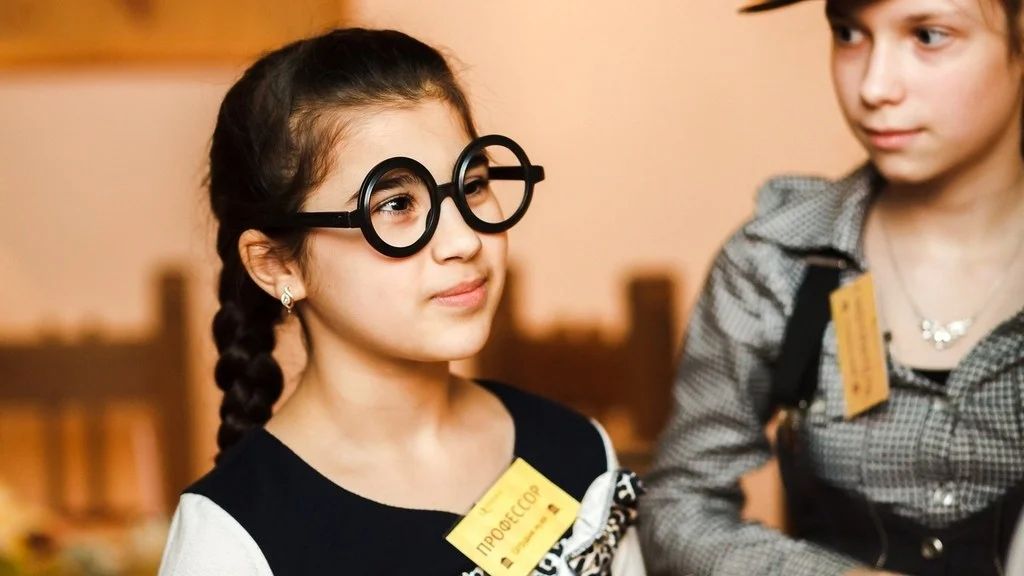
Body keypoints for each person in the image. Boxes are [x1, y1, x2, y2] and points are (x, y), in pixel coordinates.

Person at [157, 27, 645, 576]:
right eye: (394, 204)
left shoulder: (575, 451)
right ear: (278, 264)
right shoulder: (232, 538)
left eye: (473, 184)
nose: (464, 240)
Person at [638, 0, 1024, 573]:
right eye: (848, 33)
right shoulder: (778, 261)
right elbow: (677, 510)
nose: (874, 86)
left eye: (928, 35)